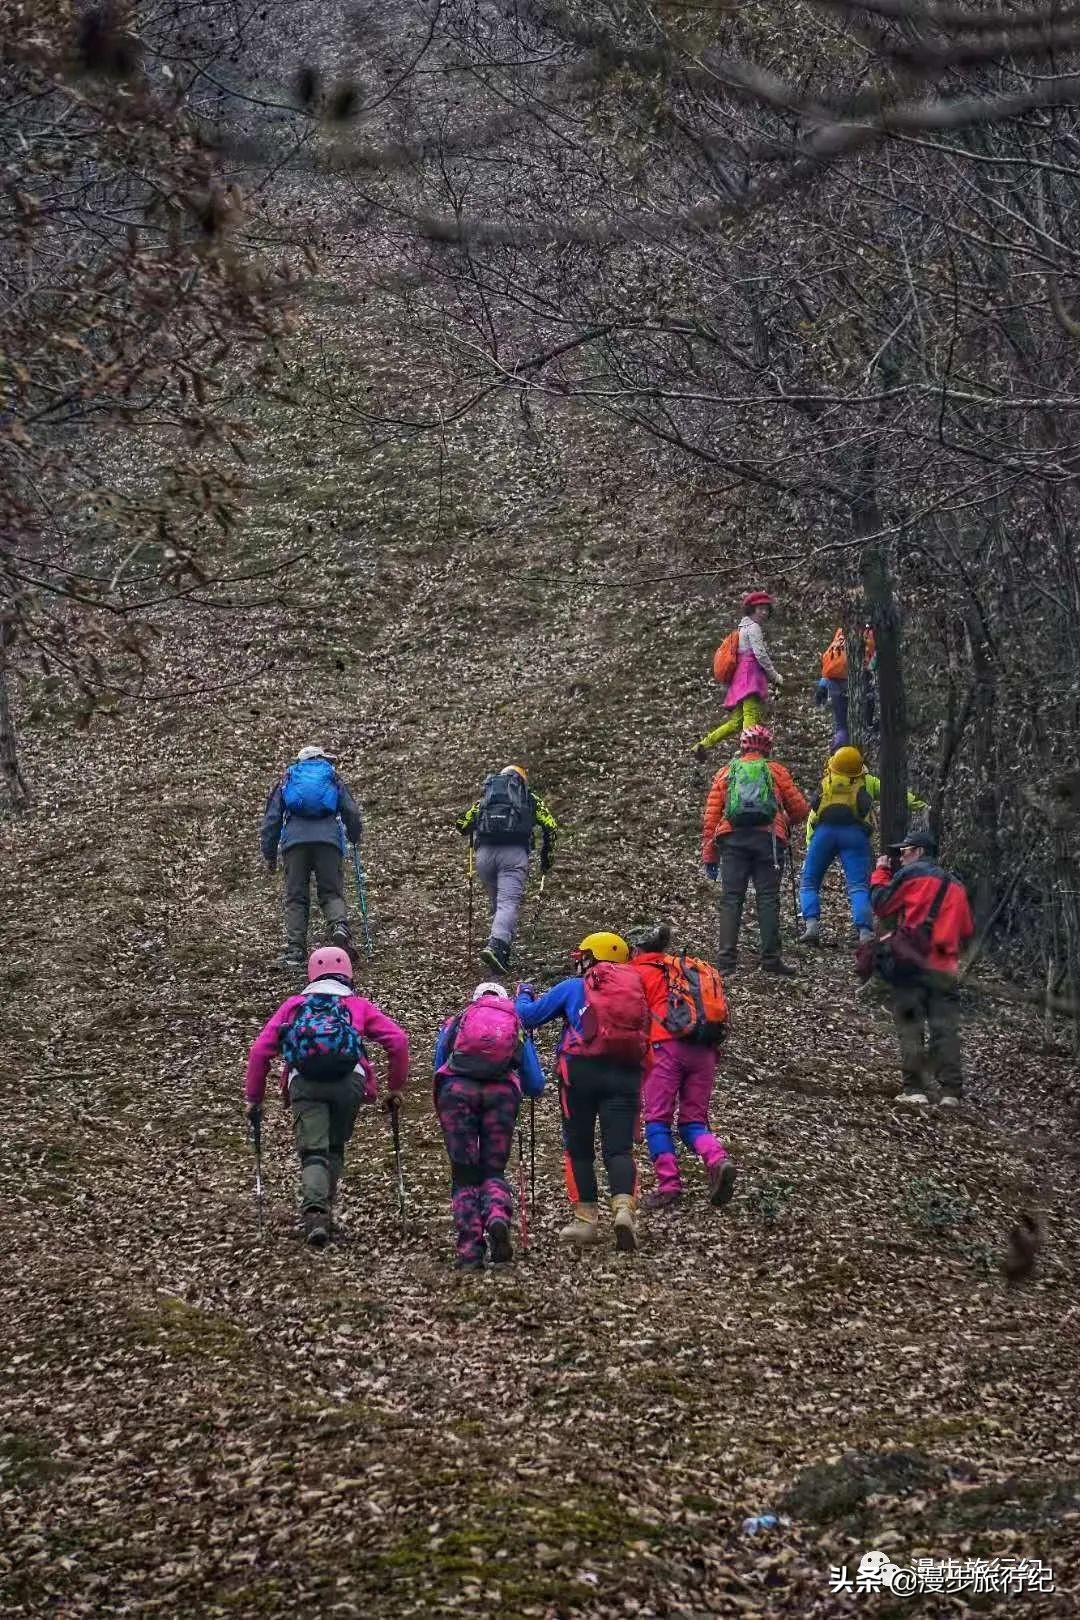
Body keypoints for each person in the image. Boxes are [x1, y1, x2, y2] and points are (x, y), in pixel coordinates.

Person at [243, 946, 410, 1246]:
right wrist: (395, 1087)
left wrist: (254, 1098)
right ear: (347, 973)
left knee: (313, 1151)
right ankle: (325, 1209)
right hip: (350, 1083)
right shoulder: (357, 1006)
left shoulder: (293, 1006)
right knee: (334, 1147)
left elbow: (259, 1052)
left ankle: (316, 1212)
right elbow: (397, 1041)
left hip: (304, 1082)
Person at [516, 931, 649, 1251]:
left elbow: (528, 1017)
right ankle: (623, 1211)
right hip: (626, 1072)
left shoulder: (574, 987)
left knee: (579, 1148)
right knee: (618, 1150)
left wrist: (523, 993)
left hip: (580, 1074)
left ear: (591, 958)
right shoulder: (635, 989)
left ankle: (587, 1220)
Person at [433, 982, 545, 1270]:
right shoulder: (515, 1025)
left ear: (475, 1001)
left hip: (457, 1093)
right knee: (493, 1169)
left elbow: (439, 1066)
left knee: (465, 1173)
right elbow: (535, 1083)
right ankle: (497, 1216)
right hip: (501, 1096)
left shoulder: (458, 1020)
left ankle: (470, 1252)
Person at [627, 924, 736, 1210]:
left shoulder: (637, 973)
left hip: (666, 1049)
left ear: (636, 949)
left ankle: (669, 1184)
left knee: (657, 1120)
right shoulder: (684, 970)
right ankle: (717, 1159)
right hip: (705, 1049)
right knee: (692, 1122)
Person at [870, 830, 974, 1107]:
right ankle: (951, 1091)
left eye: (904, 852)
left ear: (917, 851)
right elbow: (966, 930)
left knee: (910, 1023)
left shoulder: (911, 876)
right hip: (945, 967)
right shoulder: (958, 887)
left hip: (912, 962)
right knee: (945, 1028)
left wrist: (880, 873)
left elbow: (881, 905)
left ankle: (914, 1088)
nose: (901, 858)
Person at [702, 724, 810, 976]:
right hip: (768, 842)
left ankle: (726, 962)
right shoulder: (775, 771)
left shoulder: (727, 772)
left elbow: (711, 817)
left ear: (742, 746)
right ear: (768, 747)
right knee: (768, 898)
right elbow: (801, 809)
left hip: (733, 840)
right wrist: (782, 821)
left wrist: (710, 855)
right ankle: (771, 959)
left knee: (731, 899)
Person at [799, 746, 927, 946]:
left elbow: (814, 815)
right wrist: (921, 804)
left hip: (824, 833)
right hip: (855, 834)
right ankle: (865, 932)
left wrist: (810, 842)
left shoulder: (828, 781)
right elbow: (894, 792)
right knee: (858, 885)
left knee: (809, 881)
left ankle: (811, 925)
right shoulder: (866, 781)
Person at [261, 745, 364, 970]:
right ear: (320, 759)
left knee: (296, 897)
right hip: (328, 841)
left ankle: (295, 952)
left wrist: (269, 854)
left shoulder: (288, 778)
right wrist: (355, 835)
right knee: (330, 892)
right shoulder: (332, 777)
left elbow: (272, 819)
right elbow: (352, 812)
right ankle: (339, 928)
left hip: (295, 844)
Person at [455, 764, 559, 974]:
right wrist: (547, 855)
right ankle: (497, 946)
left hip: (484, 856)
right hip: (513, 854)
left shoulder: (487, 799)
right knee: (507, 903)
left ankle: (502, 952)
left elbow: (462, 823)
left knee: (498, 905)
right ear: (522, 781)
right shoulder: (529, 798)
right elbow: (551, 825)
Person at [694, 590, 782, 760]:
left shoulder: (742, 628)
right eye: (759, 609)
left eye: (766, 609)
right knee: (751, 716)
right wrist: (775, 676)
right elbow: (760, 654)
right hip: (750, 678)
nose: (763, 612)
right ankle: (750, 756)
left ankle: (703, 744)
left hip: (739, 679)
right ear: (751, 609)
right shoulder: (754, 628)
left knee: (736, 722)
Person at [814, 627, 850, 750]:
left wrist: (823, 684)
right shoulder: (874, 630)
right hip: (853, 680)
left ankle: (836, 754)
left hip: (833, 680)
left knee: (841, 725)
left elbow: (831, 657)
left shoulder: (843, 630)